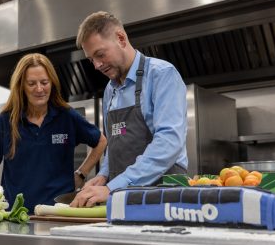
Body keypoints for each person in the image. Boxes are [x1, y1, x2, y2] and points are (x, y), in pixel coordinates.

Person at [70, 11, 188, 207]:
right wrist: (104, 175)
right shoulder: (110, 90)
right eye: (91, 59)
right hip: (120, 196)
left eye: (100, 54)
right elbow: (115, 144)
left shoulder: (162, 75)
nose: (97, 65)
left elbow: (169, 142)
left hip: (162, 195)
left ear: (121, 38)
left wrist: (113, 187)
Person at [0, 53, 107, 211]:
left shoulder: (66, 116)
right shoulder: (7, 121)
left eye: (44, 82)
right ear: (21, 86)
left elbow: (100, 141)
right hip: (16, 216)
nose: (39, 89)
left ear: (52, 82)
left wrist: (81, 174)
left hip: (57, 213)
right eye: (31, 84)